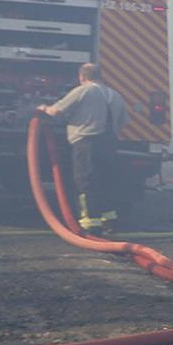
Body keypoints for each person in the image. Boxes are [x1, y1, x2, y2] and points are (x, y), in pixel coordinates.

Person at [41, 63, 130, 232]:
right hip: (109, 143)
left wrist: (44, 108)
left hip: (86, 142)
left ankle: (90, 223)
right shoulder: (115, 95)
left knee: (86, 181)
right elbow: (124, 122)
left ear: (82, 77)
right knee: (104, 180)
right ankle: (109, 220)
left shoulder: (83, 91)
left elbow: (57, 111)